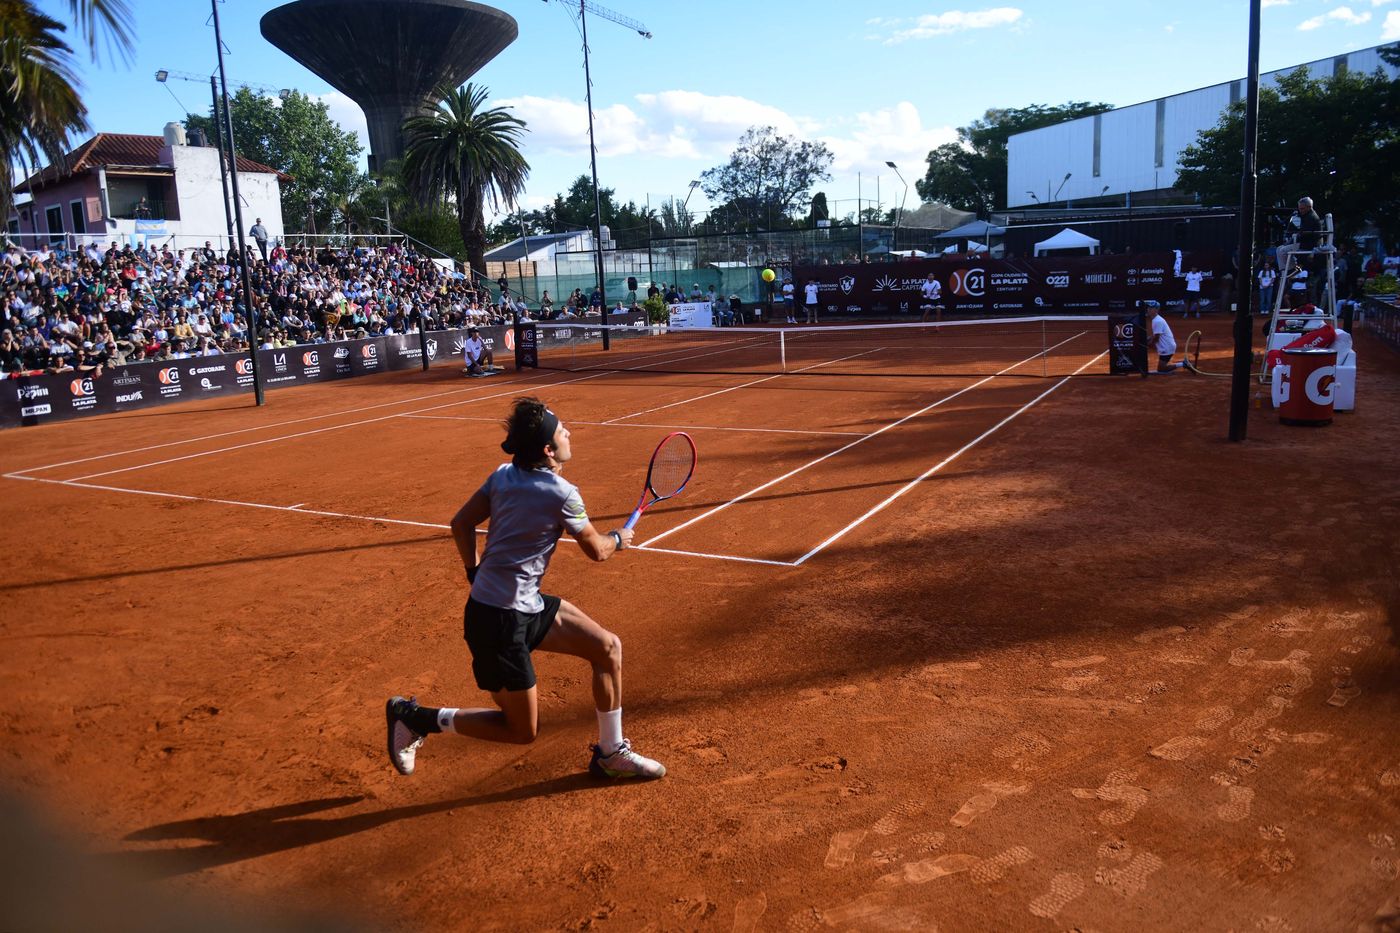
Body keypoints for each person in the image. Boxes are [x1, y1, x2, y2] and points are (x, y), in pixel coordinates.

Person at [385, 398, 665, 780]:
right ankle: (415, 718)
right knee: (521, 730)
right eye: (561, 429)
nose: (568, 432)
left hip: (521, 605)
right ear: (548, 450)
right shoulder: (562, 493)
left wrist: (474, 572)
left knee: (607, 647)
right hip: (499, 622)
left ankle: (610, 753)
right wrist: (619, 537)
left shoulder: (502, 475)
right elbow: (597, 551)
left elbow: (460, 524)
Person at [1143, 300, 1184, 374]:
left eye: (1151, 308)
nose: (1148, 309)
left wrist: (1149, 344)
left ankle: (1183, 364)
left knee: (1161, 370)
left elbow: (1156, 338)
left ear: (1156, 309)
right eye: (1148, 308)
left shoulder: (1157, 321)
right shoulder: (1156, 319)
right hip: (1166, 346)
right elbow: (1156, 335)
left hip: (1166, 347)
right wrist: (1149, 340)